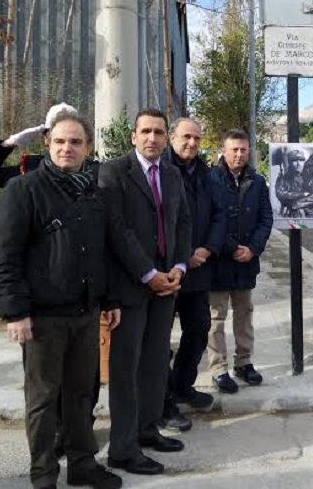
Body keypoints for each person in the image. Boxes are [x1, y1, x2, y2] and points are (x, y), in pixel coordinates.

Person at [0, 113, 141, 489]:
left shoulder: (93, 192)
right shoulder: (24, 191)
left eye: (75, 142)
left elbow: (101, 253)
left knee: (81, 395)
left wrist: (109, 300)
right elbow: (2, 254)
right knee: (42, 400)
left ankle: (83, 464)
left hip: (85, 314)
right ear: (48, 145)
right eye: (59, 142)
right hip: (41, 319)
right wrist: (15, 311)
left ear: (88, 148)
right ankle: (43, 476)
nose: (66, 148)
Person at [99, 109, 193, 476]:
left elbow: (183, 221)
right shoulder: (114, 172)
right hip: (130, 286)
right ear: (133, 136)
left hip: (166, 286)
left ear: (166, 138)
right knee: (126, 368)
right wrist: (148, 273)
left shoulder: (170, 174)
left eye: (158, 132)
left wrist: (179, 267)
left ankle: (147, 430)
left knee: (155, 364)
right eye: (145, 132)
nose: (152, 138)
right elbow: (116, 229)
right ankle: (122, 449)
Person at [159, 117, 225, 432]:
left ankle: (182, 386)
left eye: (197, 139)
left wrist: (206, 249)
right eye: (186, 137)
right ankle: (162, 403)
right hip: (167, 271)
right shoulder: (160, 169)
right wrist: (180, 255)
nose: (192, 144)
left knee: (198, 331)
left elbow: (219, 215)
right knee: (159, 341)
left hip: (198, 270)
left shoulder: (207, 174)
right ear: (172, 137)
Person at [208, 130, 273, 393]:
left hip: (247, 261)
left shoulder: (257, 182)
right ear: (223, 150)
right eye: (234, 149)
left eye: (243, 149)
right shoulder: (209, 179)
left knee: (244, 315)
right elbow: (207, 219)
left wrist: (253, 248)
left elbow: (265, 219)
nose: (239, 154)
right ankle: (219, 368)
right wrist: (232, 247)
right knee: (216, 318)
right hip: (219, 261)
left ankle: (244, 363)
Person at [0, 102, 78, 188]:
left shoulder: (91, 172)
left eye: (74, 141)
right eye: (59, 140)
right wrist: (8, 144)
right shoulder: (30, 169)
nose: (66, 148)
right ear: (46, 140)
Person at [274, 148, 313, 218]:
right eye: (294, 160)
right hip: (292, 214)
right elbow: (280, 194)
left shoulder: (308, 176)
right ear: (289, 162)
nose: (298, 163)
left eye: (301, 160)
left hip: (310, 214)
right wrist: (301, 195)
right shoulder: (284, 177)